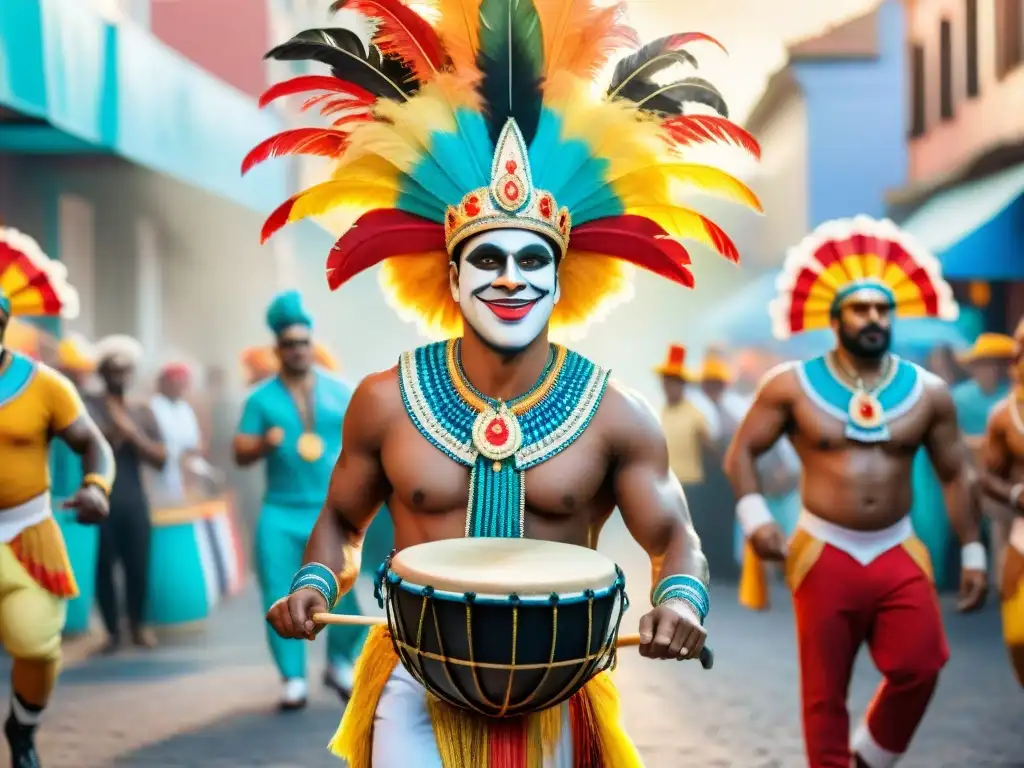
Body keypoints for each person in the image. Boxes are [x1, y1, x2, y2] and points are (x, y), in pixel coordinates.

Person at [249, 3, 761, 764]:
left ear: (564, 280)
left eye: (533, 261)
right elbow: (342, 522)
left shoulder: (616, 416)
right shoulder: (383, 401)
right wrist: (316, 582)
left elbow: (672, 538)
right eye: (487, 260)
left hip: (560, 689)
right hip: (415, 682)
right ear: (450, 277)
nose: (512, 279)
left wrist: (680, 600)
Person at [724, 215, 988, 768]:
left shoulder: (929, 392)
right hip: (823, 550)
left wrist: (972, 549)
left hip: (897, 548)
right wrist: (755, 518)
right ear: (834, 317)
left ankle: (869, 758)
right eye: (859, 308)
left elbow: (956, 472)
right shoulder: (789, 385)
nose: (873, 318)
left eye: (882, 308)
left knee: (921, 663)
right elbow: (741, 452)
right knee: (824, 693)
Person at [0, 228, 114, 768]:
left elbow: (94, 444)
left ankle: (22, 730)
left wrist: (96, 487)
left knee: (36, 646)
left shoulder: (45, 384)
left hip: (26, 538)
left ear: (6, 319)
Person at [233, 290, 367, 710]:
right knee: (278, 590)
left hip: (330, 510)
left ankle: (339, 661)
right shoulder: (260, 399)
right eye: (289, 344)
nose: (297, 350)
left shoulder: (341, 391)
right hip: (279, 509)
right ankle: (292, 678)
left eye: (303, 342)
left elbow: (367, 441)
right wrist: (263, 444)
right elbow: (239, 451)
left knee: (346, 592)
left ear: (313, 344)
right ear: (278, 349)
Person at [87, 335, 167, 653]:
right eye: (113, 369)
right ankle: (111, 630)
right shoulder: (88, 405)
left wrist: (131, 432)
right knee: (103, 565)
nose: (119, 376)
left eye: (125, 369)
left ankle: (138, 625)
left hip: (134, 499)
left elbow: (160, 457)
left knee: (138, 564)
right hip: (99, 498)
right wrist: (112, 427)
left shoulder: (142, 409)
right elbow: (84, 443)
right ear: (102, 372)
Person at [978, 316, 1024, 687]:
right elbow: (987, 476)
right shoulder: (1003, 417)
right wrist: (1014, 493)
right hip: (1021, 533)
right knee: (1018, 635)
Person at [148, 362, 204, 506]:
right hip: (157, 473)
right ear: (165, 383)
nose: (180, 386)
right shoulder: (153, 407)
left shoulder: (185, 408)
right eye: (176, 382)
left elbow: (193, 444)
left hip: (181, 474)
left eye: (183, 382)